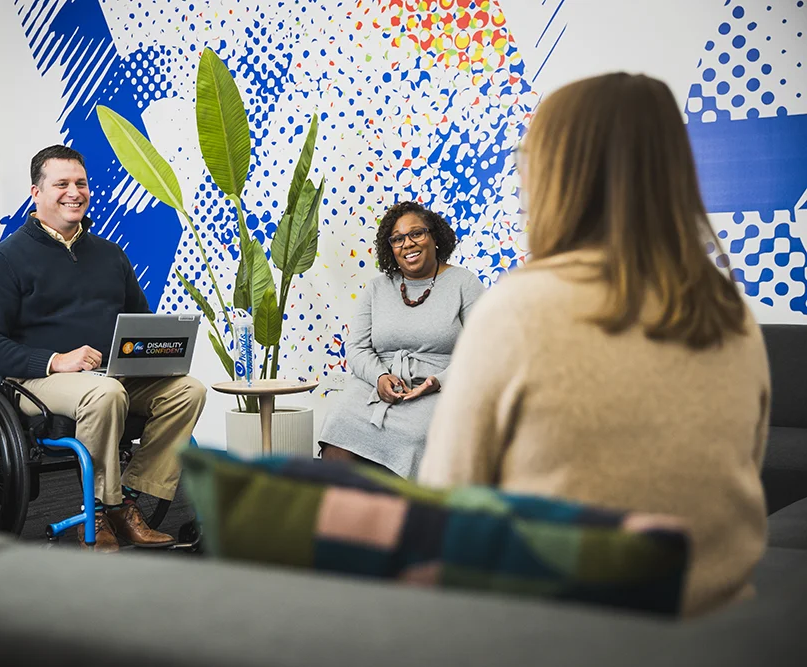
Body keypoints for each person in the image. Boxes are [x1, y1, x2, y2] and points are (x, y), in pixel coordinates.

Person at [418, 73, 770, 617]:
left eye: (526, 158)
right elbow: (743, 472)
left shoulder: (516, 310)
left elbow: (446, 515)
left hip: (563, 632)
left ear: (560, 173)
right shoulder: (733, 316)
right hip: (722, 631)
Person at [0, 145, 206, 553]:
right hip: (38, 381)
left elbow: (140, 323)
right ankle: (97, 508)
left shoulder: (110, 255)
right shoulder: (3, 260)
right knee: (105, 392)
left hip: (110, 374)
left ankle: (126, 501)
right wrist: (56, 360)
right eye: (61, 183)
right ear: (35, 193)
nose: (73, 192)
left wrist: (155, 351)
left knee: (189, 389)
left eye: (80, 183)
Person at [317, 201, 485, 478]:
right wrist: (380, 377)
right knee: (338, 423)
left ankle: (401, 517)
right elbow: (357, 348)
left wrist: (438, 382)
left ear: (435, 237)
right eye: (397, 239)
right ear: (390, 248)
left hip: (438, 386)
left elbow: (483, 351)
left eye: (416, 234)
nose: (407, 244)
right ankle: (345, 517)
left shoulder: (464, 283)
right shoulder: (377, 287)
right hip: (377, 383)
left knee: (417, 437)